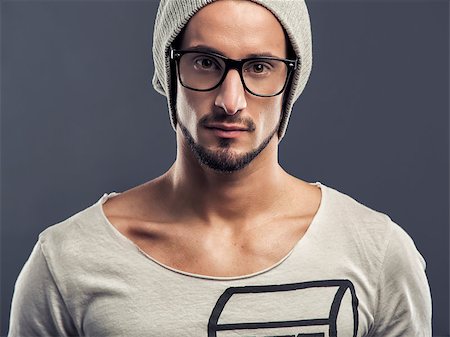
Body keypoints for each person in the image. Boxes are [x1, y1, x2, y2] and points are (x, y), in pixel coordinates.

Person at [8, 0, 432, 336]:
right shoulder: (67, 261)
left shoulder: (376, 253)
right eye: (206, 62)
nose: (231, 100)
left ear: (291, 83)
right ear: (168, 71)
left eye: (259, 67)